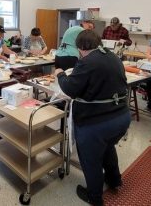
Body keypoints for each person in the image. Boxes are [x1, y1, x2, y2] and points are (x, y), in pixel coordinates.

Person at [55, 30, 131, 206]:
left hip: (97, 123)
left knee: (91, 160)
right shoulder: (113, 56)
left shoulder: (87, 62)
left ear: (80, 47)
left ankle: (94, 197)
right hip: (121, 116)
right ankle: (114, 180)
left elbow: (70, 89)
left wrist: (60, 73)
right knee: (108, 148)